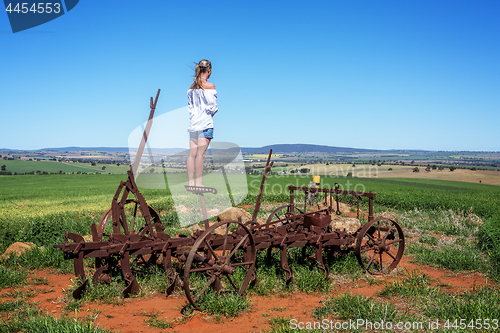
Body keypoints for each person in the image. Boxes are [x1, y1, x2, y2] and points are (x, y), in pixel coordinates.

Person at [186, 59, 217, 187]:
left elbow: (190, 107)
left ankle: (191, 182)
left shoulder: (191, 87)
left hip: (193, 125)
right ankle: (199, 183)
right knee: (201, 155)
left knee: (191, 154)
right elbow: (213, 108)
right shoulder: (210, 86)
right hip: (205, 125)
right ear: (208, 70)